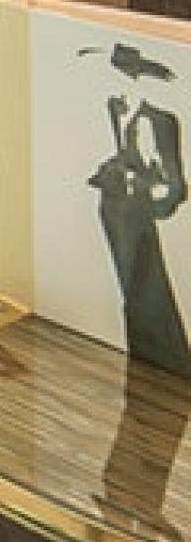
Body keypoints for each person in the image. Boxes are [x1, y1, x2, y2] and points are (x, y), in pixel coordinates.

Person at [93, 88, 191, 376]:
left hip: (137, 212)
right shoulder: (112, 109)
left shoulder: (160, 120)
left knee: (147, 292)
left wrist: (154, 187)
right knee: (140, 290)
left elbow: (172, 194)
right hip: (121, 209)